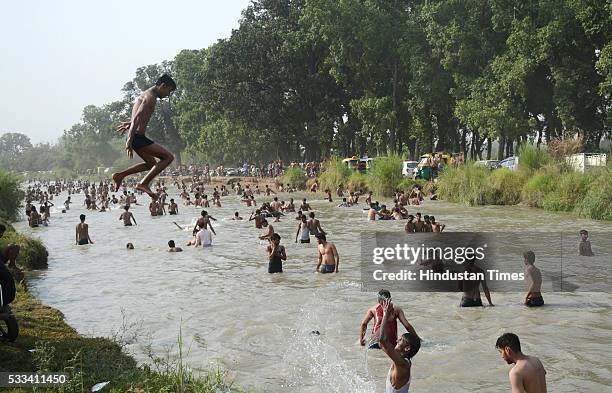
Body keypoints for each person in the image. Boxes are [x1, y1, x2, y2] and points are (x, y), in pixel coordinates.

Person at [112, 74, 177, 200]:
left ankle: (120, 175)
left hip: (136, 136)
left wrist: (130, 125)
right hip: (137, 138)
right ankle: (143, 183)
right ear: (162, 86)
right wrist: (129, 140)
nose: (168, 95)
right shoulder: (150, 97)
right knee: (168, 157)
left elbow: (138, 116)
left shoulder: (145, 94)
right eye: (168, 91)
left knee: (151, 164)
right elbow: (137, 118)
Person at [379, 298, 420, 393]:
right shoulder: (400, 361)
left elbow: (382, 340)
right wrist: (388, 321)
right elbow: (381, 344)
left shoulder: (403, 365)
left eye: (400, 340)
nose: (397, 340)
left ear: (407, 348)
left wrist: (385, 314)